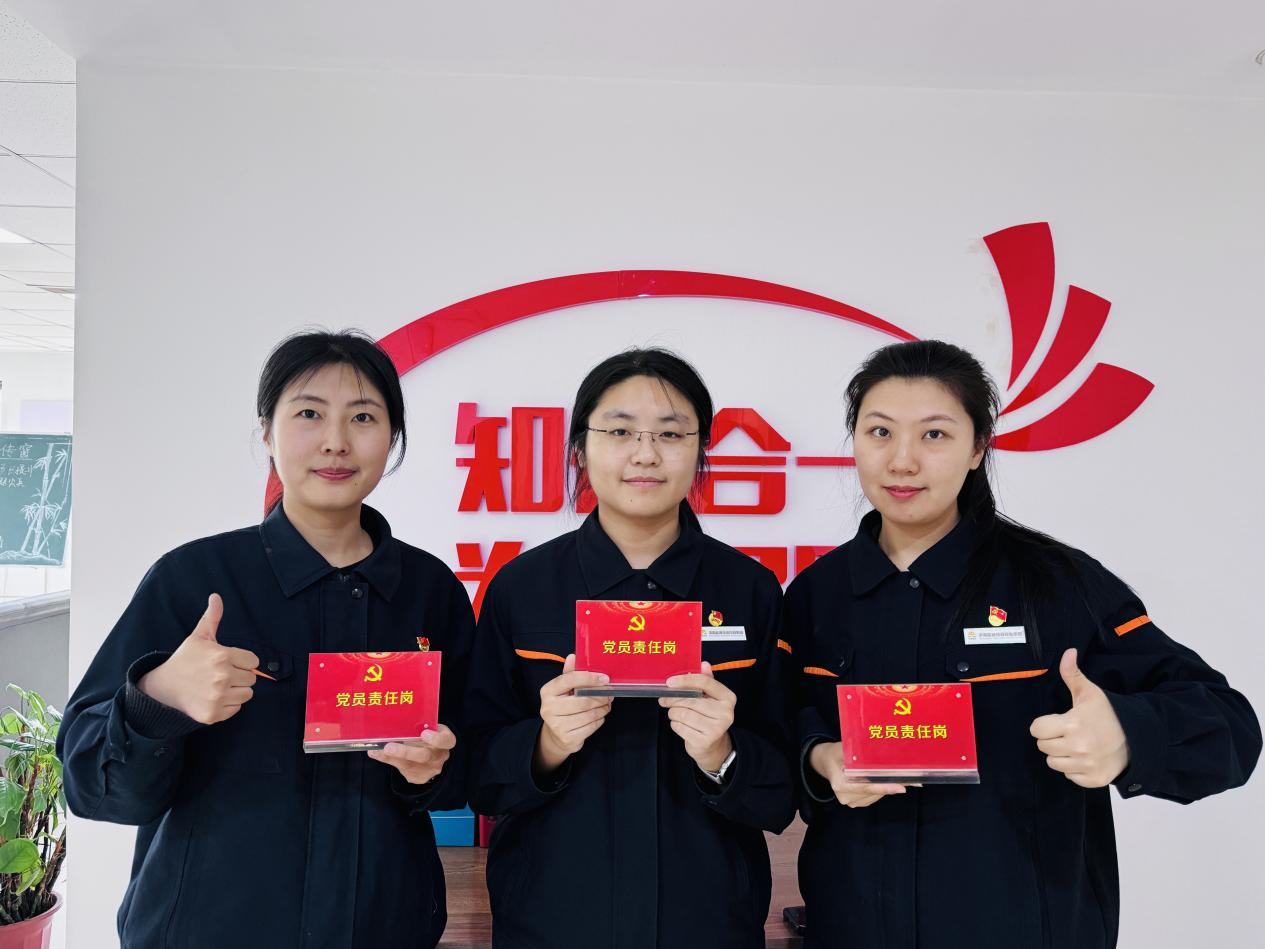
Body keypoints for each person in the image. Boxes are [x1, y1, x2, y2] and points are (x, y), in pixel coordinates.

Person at [787, 339, 1261, 949]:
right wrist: (819, 759)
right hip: (854, 928)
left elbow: (1231, 727)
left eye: (934, 435)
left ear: (977, 448)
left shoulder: (1058, 584)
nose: (902, 461)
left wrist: (1127, 733)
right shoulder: (814, 596)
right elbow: (780, 733)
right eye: (880, 432)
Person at [56, 330, 474, 949]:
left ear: (393, 438)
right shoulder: (192, 580)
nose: (336, 441)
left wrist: (430, 771)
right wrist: (159, 697)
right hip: (208, 930)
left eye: (363, 417)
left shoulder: (429, 590)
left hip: (383, 926)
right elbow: (93, 789)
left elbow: (469, 762)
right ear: (267, 433)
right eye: (309, 414)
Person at [463, 347, 794, 949]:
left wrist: (723, 755)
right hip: (554, 922)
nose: (645, 454)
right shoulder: (521, 587)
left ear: (701, 451)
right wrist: (547, 744)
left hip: (707, 924)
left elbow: (780, 793)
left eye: (670, 433)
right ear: (579, 450)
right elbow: (478, 775)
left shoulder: (749, 590)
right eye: (619, 431)